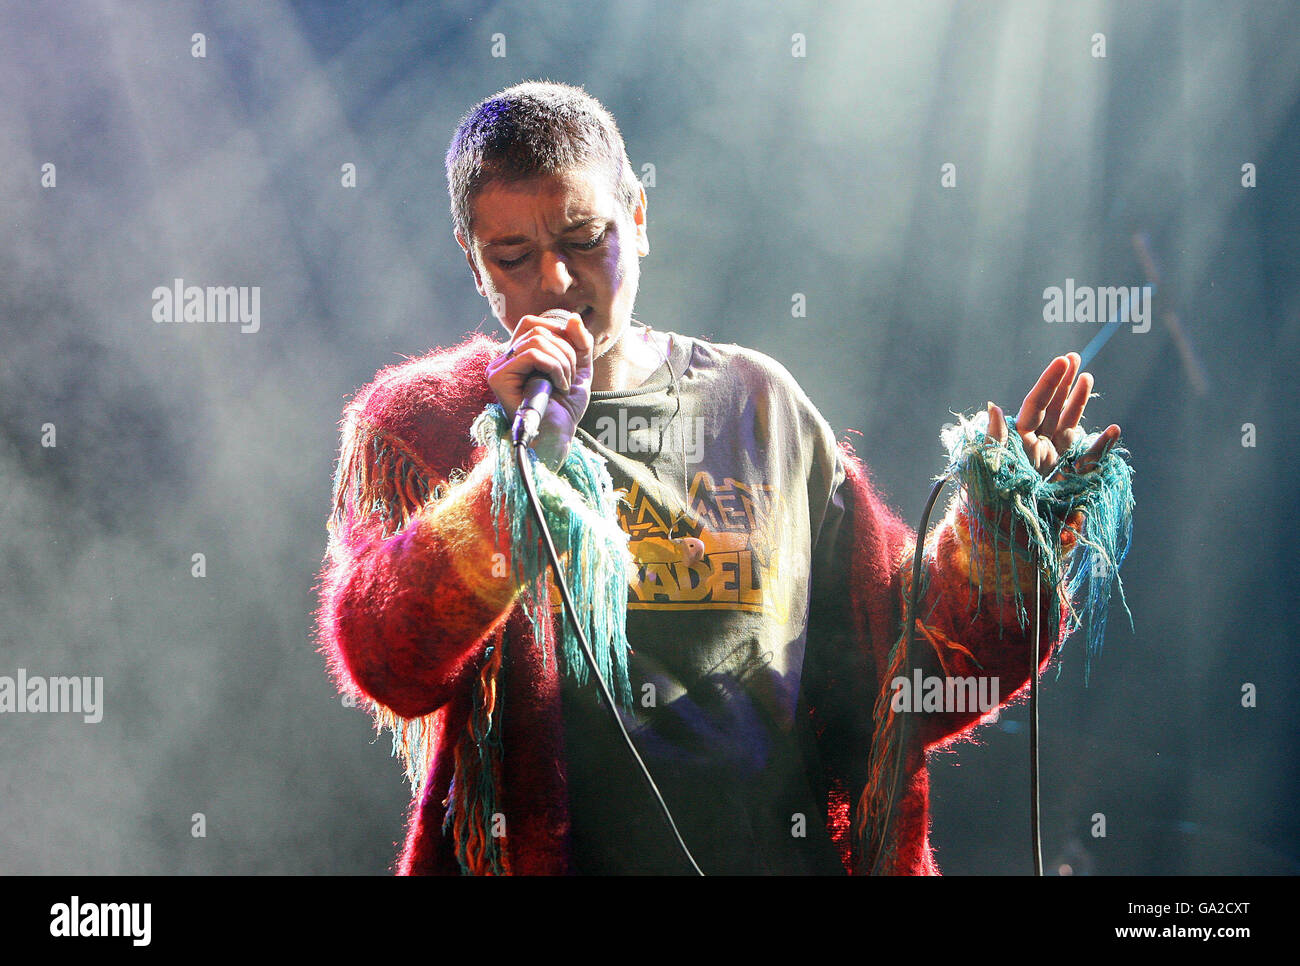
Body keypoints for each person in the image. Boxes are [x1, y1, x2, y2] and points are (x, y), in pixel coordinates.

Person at [314, 80, 1133, 875]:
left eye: (581, 239)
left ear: (637, 218)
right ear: (473, 260)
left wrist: (1006, 528)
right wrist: (514, 484)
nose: (555, 282)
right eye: (514, 255)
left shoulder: (757, 401)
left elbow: (910, 676)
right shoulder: (422, 422)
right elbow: (383, 658)